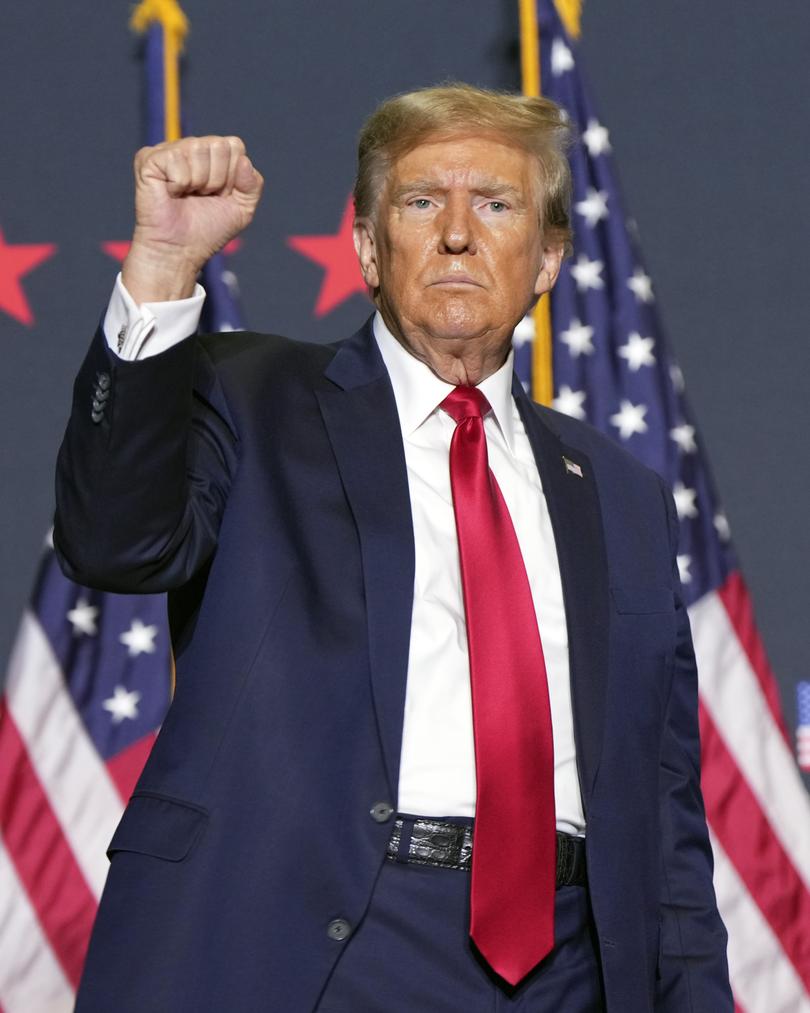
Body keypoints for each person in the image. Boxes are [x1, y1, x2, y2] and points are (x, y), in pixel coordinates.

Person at [55, 84, 732, 1011]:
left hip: (568, 966)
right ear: (370, 248)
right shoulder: (251, 397)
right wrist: (166, 265)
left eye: (495, 205)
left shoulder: (623, 495)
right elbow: (114, 542)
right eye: (421, 203)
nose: (457, 232)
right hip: (302, 943)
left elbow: (665, 812)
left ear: (548, 257)